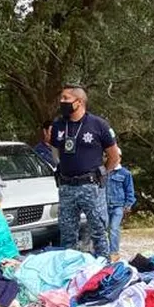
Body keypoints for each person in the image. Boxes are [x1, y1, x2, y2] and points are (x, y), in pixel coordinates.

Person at [51, 85, 119, 257]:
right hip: (66, 186)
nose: (62, 102)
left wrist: (102, 173)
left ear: (79, 102)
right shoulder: (59, 125)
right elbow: (55, 152)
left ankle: (103, 267)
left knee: (98, 230)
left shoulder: (98, 125)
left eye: (66, 98)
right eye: (61, 98)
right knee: (67, 233)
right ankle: (70, 270)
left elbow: (113, 155)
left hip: (90, 186)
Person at [105, 148, 136, 261]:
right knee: (102, 229)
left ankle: (114, 253)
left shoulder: (125, 174)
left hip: (118, 206)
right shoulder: (104, 171)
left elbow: (130, 190)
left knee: (114, 228)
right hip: (104, 205)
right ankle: (103, 252)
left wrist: (128, 205)